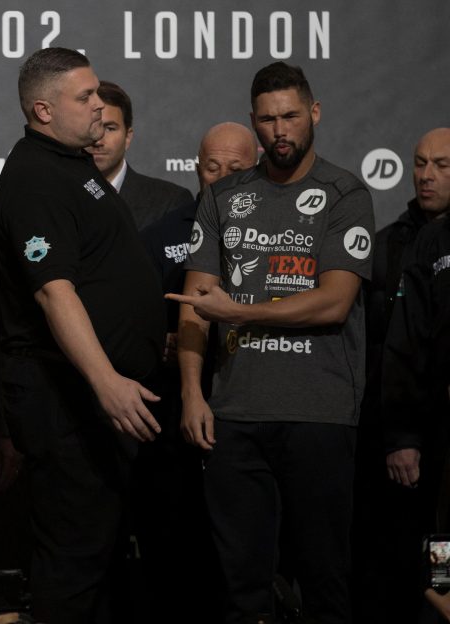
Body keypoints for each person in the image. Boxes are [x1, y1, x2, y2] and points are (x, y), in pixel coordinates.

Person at [168, 62, 374, 623]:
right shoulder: (224, 197)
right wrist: (192, 393)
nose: (280, 130)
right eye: (267, 119)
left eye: (289, 115)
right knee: (242, 583)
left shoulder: (345, 193)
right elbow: (195, 307)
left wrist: (239, 309)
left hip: (320, 413)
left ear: (314, 113)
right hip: (233, 415)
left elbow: (333, 301)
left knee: (323, 576)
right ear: (253, 124)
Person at [0, 47, 166, 623]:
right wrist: (106, 380)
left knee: (100, 561)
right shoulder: (36, 178)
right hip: (70, 405)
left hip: (95, 407)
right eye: (85, 96)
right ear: (44, 109)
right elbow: (52, 292)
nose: (99, 104)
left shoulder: (68, 164)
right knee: (72, 565)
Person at [132, 121, 258, 622]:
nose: (222, 178)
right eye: (212, 167)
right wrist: (161, 341)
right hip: (175, 423)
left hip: (255, 410)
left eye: (236, 169)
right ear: (195, 167)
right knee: (174, 550)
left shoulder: (285, 229)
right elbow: (132, 324)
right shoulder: (160, 237)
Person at [352, 127, 450, 623]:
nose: (426, 175)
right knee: (417, 549)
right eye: (420, 163)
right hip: (400, 431)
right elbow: (395, 346)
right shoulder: (386, 246)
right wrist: (400, 434)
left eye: (441, 165)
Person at [85, 80, 192, 231]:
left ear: (127, 137)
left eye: (109, 128)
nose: (98, 140)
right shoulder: (55, 195)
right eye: (91, 128)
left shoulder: (170, 201)